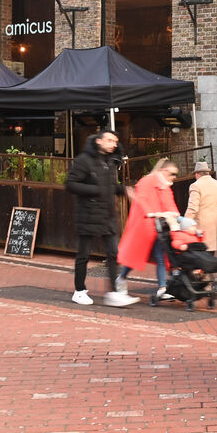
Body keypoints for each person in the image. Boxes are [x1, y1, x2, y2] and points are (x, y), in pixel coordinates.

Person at [65, 130, 138, 308]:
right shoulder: (84, 160)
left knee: (114, 254)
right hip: (88, 214)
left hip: (107, 214)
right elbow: (70, 184)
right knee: (84, 255)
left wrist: (124, 190)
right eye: (110, 140)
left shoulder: (111, 161)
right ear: (98, 141)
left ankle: (114, 292)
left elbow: (110, 186)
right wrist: (95, 190)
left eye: (115, 141)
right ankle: (79, 291)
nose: (114, 143)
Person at [116, 159, 181, 303]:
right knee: (137, 255)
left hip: (158, 226)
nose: (174, 177)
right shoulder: (147, 182)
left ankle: (162, 288)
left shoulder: (164, 185)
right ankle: (121, 278)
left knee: (161, 256)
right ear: (164, 171)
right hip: (145, 226)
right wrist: (152, 213)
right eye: (172, 174)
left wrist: (174, 214)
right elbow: (142, 200)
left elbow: (169, 203)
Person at [185, 161, 217, 256]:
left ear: (197, 174)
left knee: (200, 257)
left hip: (201, 226)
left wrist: (185, 223)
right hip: (215, 224)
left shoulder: (195, 185)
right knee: (210, 256)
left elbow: (192, 208)